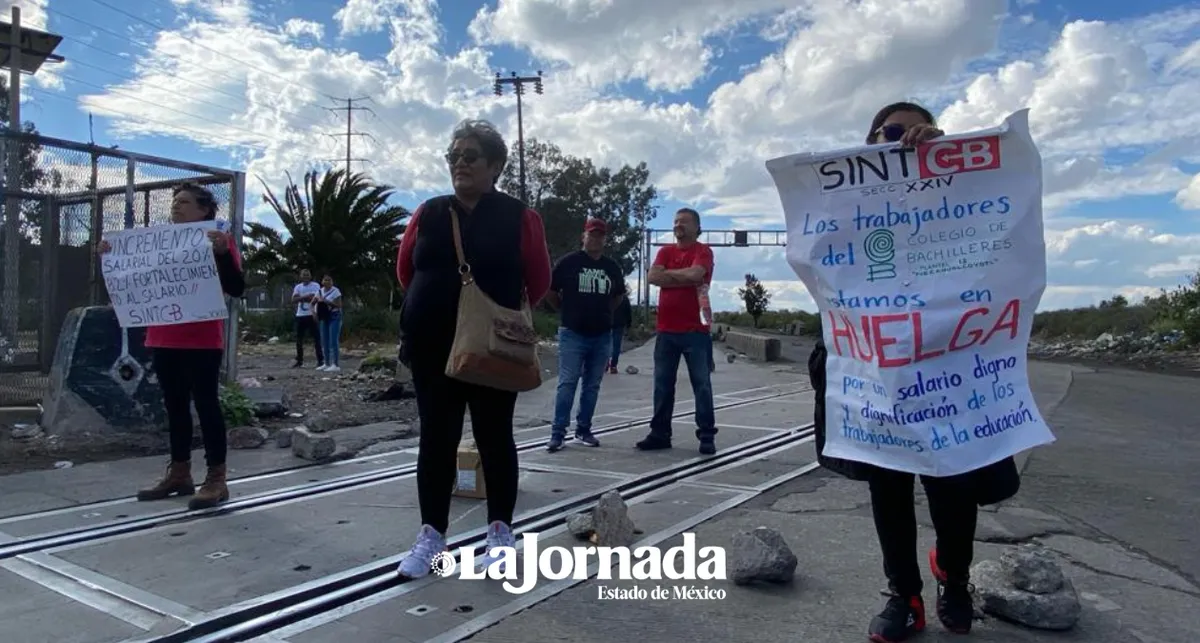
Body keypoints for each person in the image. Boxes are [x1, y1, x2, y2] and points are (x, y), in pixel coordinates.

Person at [807, 101, 1021, 643]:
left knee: (954, 486)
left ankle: (955, 576)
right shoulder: (846, 204)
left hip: (946, 372)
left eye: (911, 129)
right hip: (879, 371)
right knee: (889, 486)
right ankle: (903, 594)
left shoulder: (956, 196)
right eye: (889, 131)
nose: (901, 138)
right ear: (870, 140)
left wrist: (943, 156)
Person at [394, 119, 551, 579]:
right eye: (454, 156)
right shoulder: (428, 212)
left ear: (495, 165)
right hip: (430, 345)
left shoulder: (521, 217)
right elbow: (407, 271)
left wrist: (485, 317)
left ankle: (500, 535)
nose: (460, 164)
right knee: (436, 439)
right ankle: (431, 539)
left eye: (471, 156)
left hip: (492, 347)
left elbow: (537, 282)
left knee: (494, 435)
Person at [99, 183, 245, 510]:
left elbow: (236, 287)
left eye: (184, 202)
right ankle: (179, 472)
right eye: (175, 202)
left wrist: (222, 255)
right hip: (163, 337)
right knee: (175, 407)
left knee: (206, 406)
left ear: (204, 210)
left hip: (202, 340)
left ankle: (216, 479)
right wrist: (112, 257)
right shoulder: (155, 245)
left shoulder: (219, 240)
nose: (176, 206)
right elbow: (130, 281)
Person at [636, 207, 717, 455]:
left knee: (701, 384)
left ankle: (706, 435)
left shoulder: (703, 251)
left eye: (684, 221)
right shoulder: (664, 251)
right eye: (676, 221)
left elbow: (696, 273)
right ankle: (660, 433)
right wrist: (680, 277)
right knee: (662, 385)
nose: (678, 225)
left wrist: (667, 275)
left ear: (696, 227)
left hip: (695, 330)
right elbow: (652, 277)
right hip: (666, 330)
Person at [544, 218, 626, 452]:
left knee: (592, 385)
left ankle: (584, 429)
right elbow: (550, 290)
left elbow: (618, 295)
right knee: (567, 383)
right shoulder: (569, 262)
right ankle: (558, 433)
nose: (595, 239)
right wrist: (564, 309)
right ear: (584, 237)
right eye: (591, 234)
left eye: (600, 236)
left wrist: (604, 313)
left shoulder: (611, 267)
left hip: (601, 335)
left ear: (605, 240)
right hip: (572, 334)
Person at [291, 269, 323, 368]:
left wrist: (301, 297)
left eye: (307, 275)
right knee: (299, 339)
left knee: (316, 338)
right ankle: (299, 360)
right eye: (304, 275)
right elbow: (293, 300)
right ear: (301, 276)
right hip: (300, 315)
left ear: (310, 276)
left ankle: (320, 360)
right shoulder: (298, 287)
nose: (306, 277)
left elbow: (314, 298)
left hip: (312, 314)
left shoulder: (315, 285)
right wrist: (306, 296)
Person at [314, 274, 342, 372]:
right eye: (325, 280)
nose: (327, 282)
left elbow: (339, 305)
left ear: (332, 282)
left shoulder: (336, 291)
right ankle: (326, 363)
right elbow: (313, 303)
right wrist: (314, 314)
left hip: (334, 316)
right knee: (324, 340)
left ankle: (335, 364)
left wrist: (326, 301)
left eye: (329, 280)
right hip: (324, 317)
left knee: (333, 340)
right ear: (322, 282)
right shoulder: (319, 292)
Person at [607, 286, 632, 374]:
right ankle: (613, 366)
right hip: (619, 325)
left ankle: (605, 364)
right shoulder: (624, 299)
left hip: (607, 324)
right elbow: (628, 312)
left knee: (606, 345)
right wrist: (628, 325)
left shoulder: (607, 296)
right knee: (616, 346)